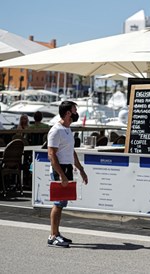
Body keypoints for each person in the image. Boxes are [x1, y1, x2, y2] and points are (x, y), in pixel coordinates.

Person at [47, 101, 88, 247]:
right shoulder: (56, 130)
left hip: (67, 168)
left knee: (62, 203)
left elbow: (71, 152)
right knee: (58, 203)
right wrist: (61, 175)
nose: (77, 113)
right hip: (60, 169)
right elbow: (51, 155)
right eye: (75, 111)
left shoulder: (67, 129)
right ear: (68, 113)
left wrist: (81, 169)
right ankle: (53, 235)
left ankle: (56, 233)